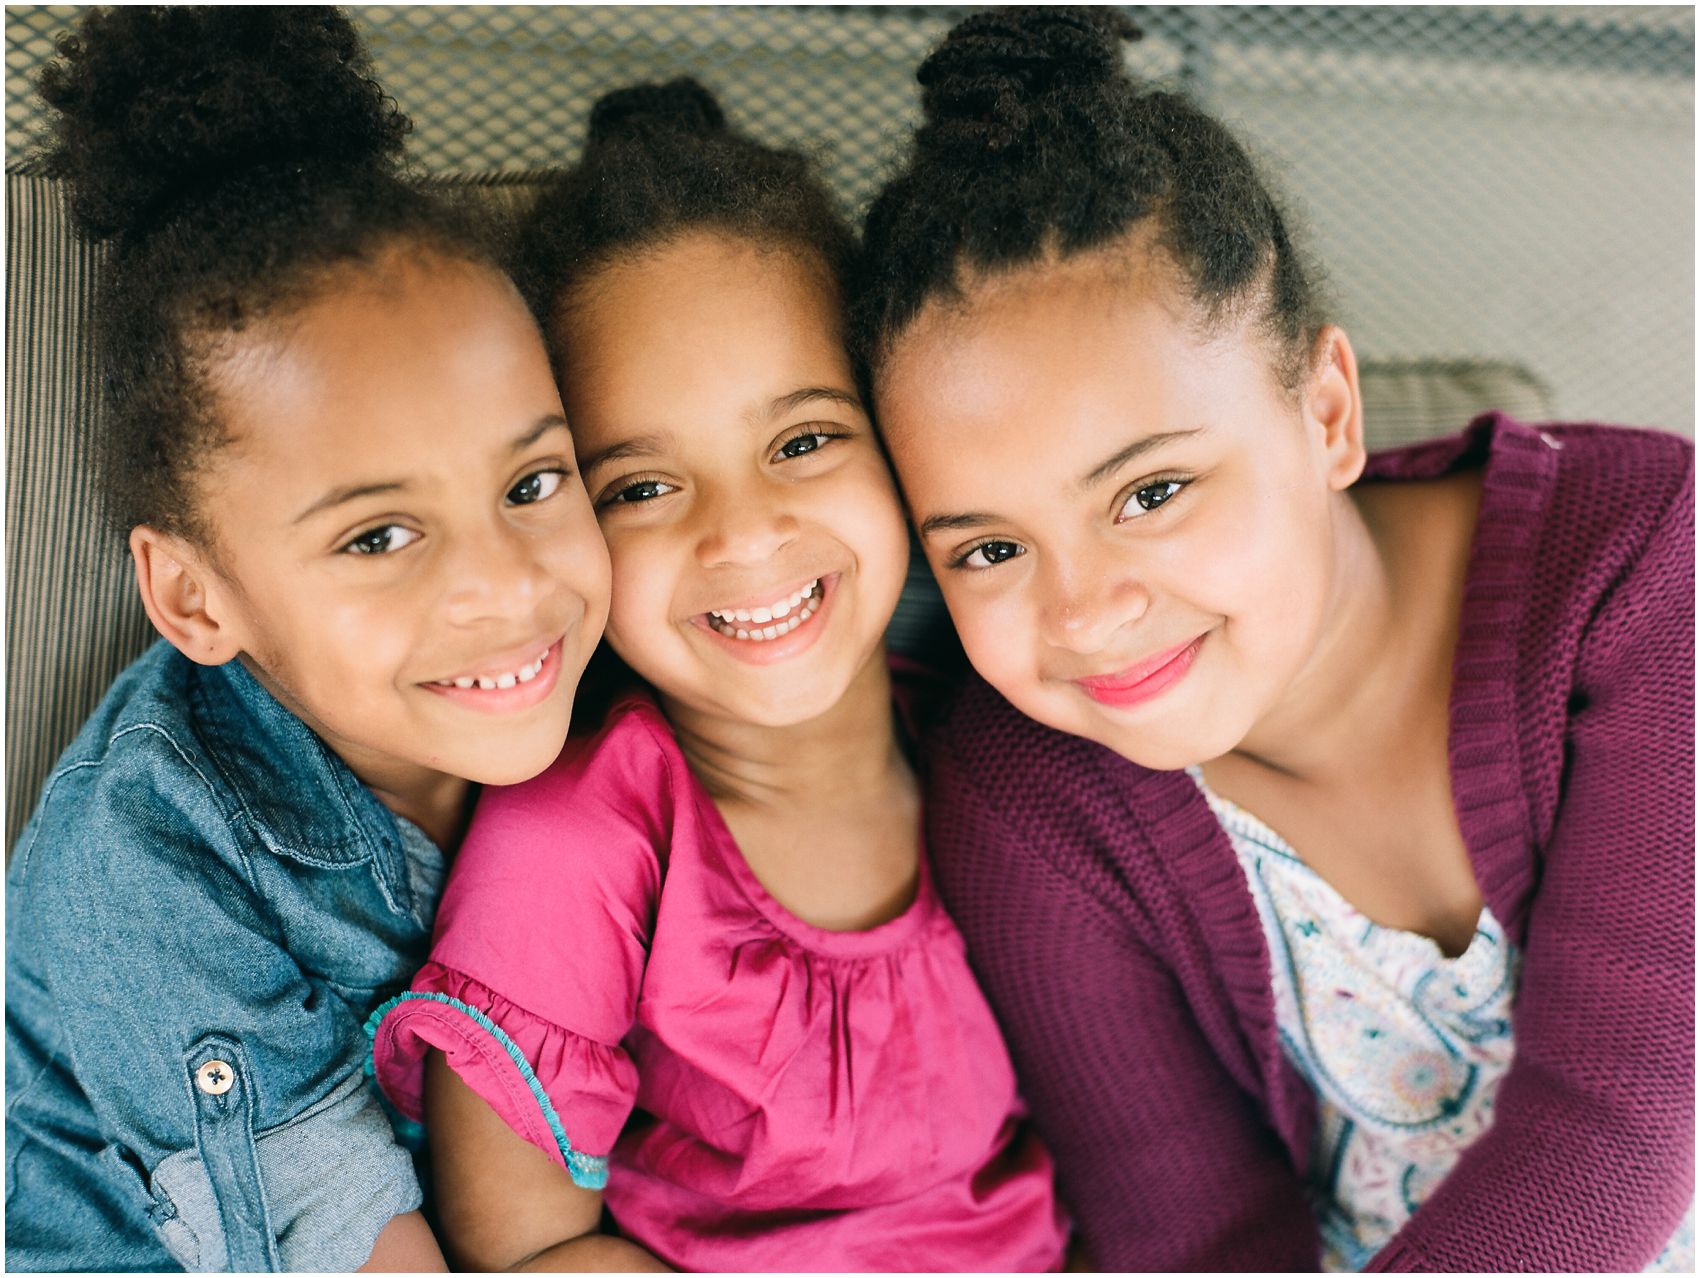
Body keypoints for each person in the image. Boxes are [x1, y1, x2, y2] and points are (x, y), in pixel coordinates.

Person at [849, 7, 1695, 1272]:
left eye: (1148, 493)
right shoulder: (1025, 798)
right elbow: (1194, 1239)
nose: (1081, 613)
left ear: (1325, 412)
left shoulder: (1640, 565)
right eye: (988, 549)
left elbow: (1620, 1117)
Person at [367, 79, 1067, 1273]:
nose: (742, 535)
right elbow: (527, 1253)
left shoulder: (993, 729)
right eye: (640, 486)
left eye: (801, 442)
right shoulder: (581, 842)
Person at [5, 7, 611, 1271]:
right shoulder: (151, 862)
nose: (506, 585)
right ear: (194, 600)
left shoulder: (611, 693)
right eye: (380, 537)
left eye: (533, 482)